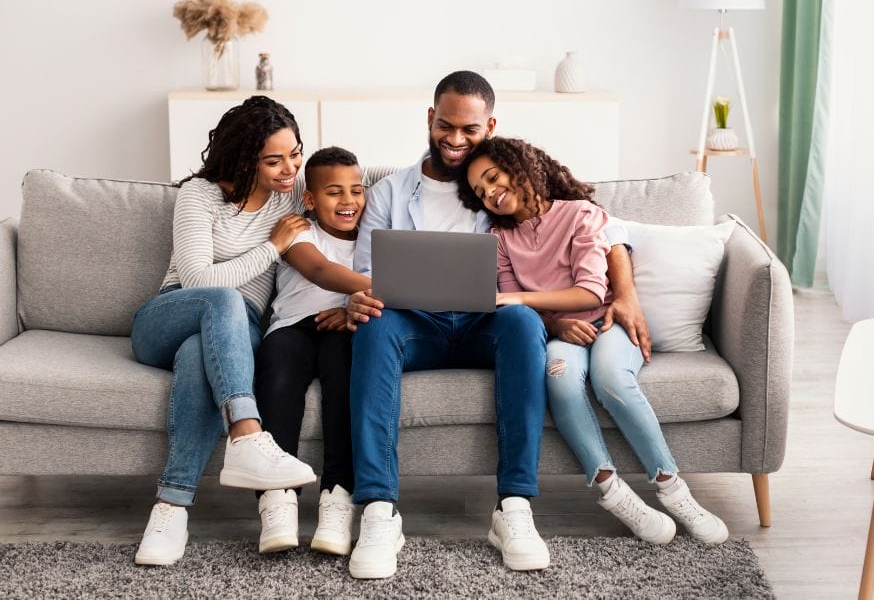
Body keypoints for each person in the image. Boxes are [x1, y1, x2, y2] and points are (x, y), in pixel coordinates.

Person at [343, 71, 653, 579]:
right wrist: (360, 297)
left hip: (489, 321)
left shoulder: (507, 174)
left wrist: (627, 293)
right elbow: (366, 273)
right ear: (430, 118)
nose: (456, 140)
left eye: (470, 129)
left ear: (490, 126)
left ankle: (514, 508)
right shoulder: (390, 192)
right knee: (375, 328)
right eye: (446, 126)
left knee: (521, 324)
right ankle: (379, 510)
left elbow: (601, 223)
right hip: (414, 326)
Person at [457, 136, 729, 546]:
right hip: (563, 332)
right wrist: (553, 324)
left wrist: (517, 298)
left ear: (520, 167)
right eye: (480, 191)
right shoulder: (500, 239)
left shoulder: (580, 214)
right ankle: (613, 492)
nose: (490, 192)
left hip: (608, 321)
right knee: (560, 381)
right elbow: (518, 312)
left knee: (611, 380)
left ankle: (674, 489)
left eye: (493, 178)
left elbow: (587, 292)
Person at [131, 96, 318, 566]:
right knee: (223, 299)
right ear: (244, 157)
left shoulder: (294, 192)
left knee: (200, 356)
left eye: (295, 153)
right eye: (273, 160)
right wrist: (274, 246)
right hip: (168, 316)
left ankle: (170, 509)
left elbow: (354, 184)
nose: (289, 167)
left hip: (236, 335)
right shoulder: (201, 195)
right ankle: (248, 435)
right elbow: (197, 279)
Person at [252, 146, 372, 557]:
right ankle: (277, 498)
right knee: (278, 378)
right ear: (309, 199)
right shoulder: (297, 229)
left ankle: (338, 497)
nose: (348, 201)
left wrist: (350, 307)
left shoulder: (374, 238)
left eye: (357, 190)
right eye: (334, 192)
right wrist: (397, 288)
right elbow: (320, 270)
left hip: (343, 328)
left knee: (345, 384)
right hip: (293, 328)